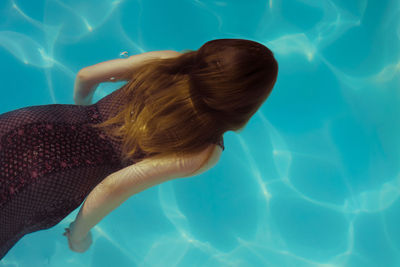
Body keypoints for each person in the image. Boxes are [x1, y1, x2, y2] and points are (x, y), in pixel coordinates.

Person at [0, 38, 278, 259]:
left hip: (29, 124)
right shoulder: (203, 151)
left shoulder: (170, 61)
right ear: (244, 105)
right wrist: (78, 236)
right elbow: (112, 187)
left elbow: (86, 76)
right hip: (51, 180)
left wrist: (84, 116)